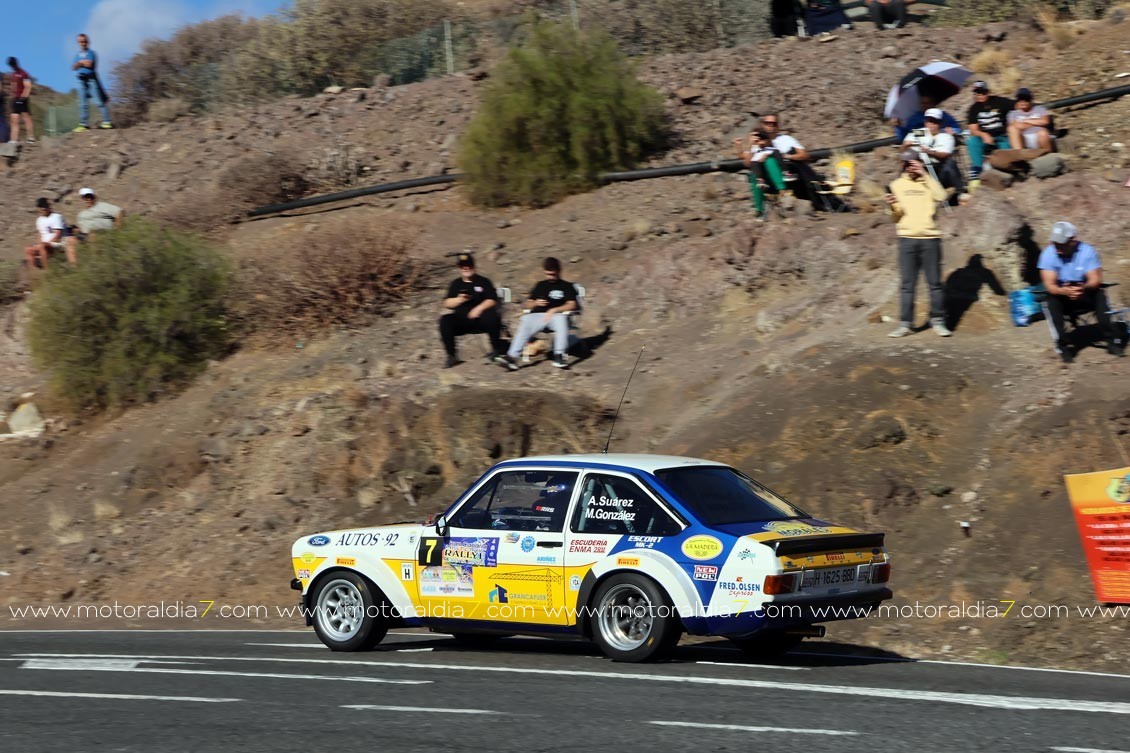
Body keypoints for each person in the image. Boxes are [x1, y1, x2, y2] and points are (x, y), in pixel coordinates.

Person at [885, 151, 951, 338]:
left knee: (935, 284)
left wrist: (925, 174)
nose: (909, 167)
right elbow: (894, 217)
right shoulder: (896, 185)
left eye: (912, 163)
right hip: (907, 239)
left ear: (919, 163)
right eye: (906, 163)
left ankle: (938, 321)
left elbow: (942, 196)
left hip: (930, 239)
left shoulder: (929, 183)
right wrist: (891, 206)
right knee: (907, 284)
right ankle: (905, 324)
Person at [1038, 222, 1124, 363]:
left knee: (1100, 295)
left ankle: (1112, 340)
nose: (1057, 249)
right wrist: (1064, 291)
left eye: (1061, 244)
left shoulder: (1087, 252)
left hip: (1085, 292)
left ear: (1073, 241)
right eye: (1055, 243)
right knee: (1050, 301)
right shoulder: (1048, 254)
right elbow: (1050, 285)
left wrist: (1082, 288)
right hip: (1062, 296)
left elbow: (1095, 279)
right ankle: (1063, 346)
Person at [498, 257, 578, 371]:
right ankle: (512, 357)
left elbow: (572, 305)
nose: (550, 277)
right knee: (526, 320)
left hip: (556, 316)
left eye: (553, 275)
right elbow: (527, 304)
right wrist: (535, 302)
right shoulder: (540, 285)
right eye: (548, 274)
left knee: (561, 319)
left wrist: (555, 310)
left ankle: (559, 356)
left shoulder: (566, 286)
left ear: (559, 271)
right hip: (538, 315)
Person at [438, 253, 507, 369]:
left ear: (473, 266)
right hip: (462, 320)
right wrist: (459, 300)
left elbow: (492, 300)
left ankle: (496, 350)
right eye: (463, 266)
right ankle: (451, 356)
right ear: (459, 268)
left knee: (492, 315)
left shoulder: (483, 281)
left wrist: (479, 308)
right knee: (445, 320)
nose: (466, 268)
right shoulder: (455, 284)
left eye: (469, 265)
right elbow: (446, 303)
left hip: (481, 319)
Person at [902, 107, 964, 198]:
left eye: (935, 122)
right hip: (923, 167)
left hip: (939, 168)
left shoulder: (946, 136)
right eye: (929, 121)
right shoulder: (921, 132)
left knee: (949, 163)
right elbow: (905, 144)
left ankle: (960, 191)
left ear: (940, 123)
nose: (931, 124)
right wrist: (906, 145)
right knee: (908, 165)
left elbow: (944, 154)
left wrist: (929, 152)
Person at [964, 80, 1013, 184]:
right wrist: (983, 134)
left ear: (988, 91)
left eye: (982, 92)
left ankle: (1006, 173)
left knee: (1005, 150)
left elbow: (1016, 105)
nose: (980, 95)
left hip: (1002, 136)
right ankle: (978, 169)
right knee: (972, 142)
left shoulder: (1000, 101)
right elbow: (973, 129)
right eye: (977, 92)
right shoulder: (974, 109)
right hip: (984, 138)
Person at [734, 130, 787, 220]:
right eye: (753, 136)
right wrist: (747, 146)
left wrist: (766, 155)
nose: (756, 138)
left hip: (774, 176)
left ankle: (782, 190)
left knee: (770, 161)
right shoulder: (753, 149)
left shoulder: (770, 147)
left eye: (758, 136)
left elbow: (778, 156)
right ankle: (759, 209)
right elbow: (747, 163)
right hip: (761, 177)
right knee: (754, 176)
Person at [73, 34, 113, 131]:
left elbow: (90, 64)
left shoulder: (91, 53)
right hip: (81, 80)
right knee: (82, 103)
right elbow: (73, 67)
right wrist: (82, 63)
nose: (83, 43)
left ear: (88, 42)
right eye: (81, 41)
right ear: (78, 43)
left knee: (99, 101)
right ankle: (84, 124)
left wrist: (80, 63)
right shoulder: (77, 55)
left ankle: (107, 121)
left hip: (91, 79)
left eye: (84, 41)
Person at [25, 197, 76, 269]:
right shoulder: (39, 220)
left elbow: (58, 235)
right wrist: (38, 244)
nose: (43, 208)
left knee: (42, 246)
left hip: (58, 243)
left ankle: (47, 271)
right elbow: (41, 235)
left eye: (45, 206)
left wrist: (45, 244)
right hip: (46, 244)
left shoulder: (56, 217)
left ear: (48, 206)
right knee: (28, 249)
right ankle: (34, 271)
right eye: (41, 206)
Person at [895, 94, 961, 142]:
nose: (924, 105)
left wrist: (949, 131)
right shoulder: (914, 118)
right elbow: (907, 135)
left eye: (927, 103)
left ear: (933, 104)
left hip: (941, 144)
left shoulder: (943, 115)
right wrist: (899, 127)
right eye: (922, 103)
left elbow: (957, 129)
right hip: (921, 146)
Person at [7, 57, 34, 144]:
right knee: (14, 119)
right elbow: (13, 86)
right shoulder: (13, 74)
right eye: (11, 65)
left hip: (23, 99)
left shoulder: (24, 73)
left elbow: (28, 86)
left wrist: (23, 98)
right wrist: (13, 97)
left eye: (13, 64)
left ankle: (31, 137)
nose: (12, 67)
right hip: (15, 99)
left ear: (16, 63)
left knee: (26, 118)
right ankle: (13, 140)